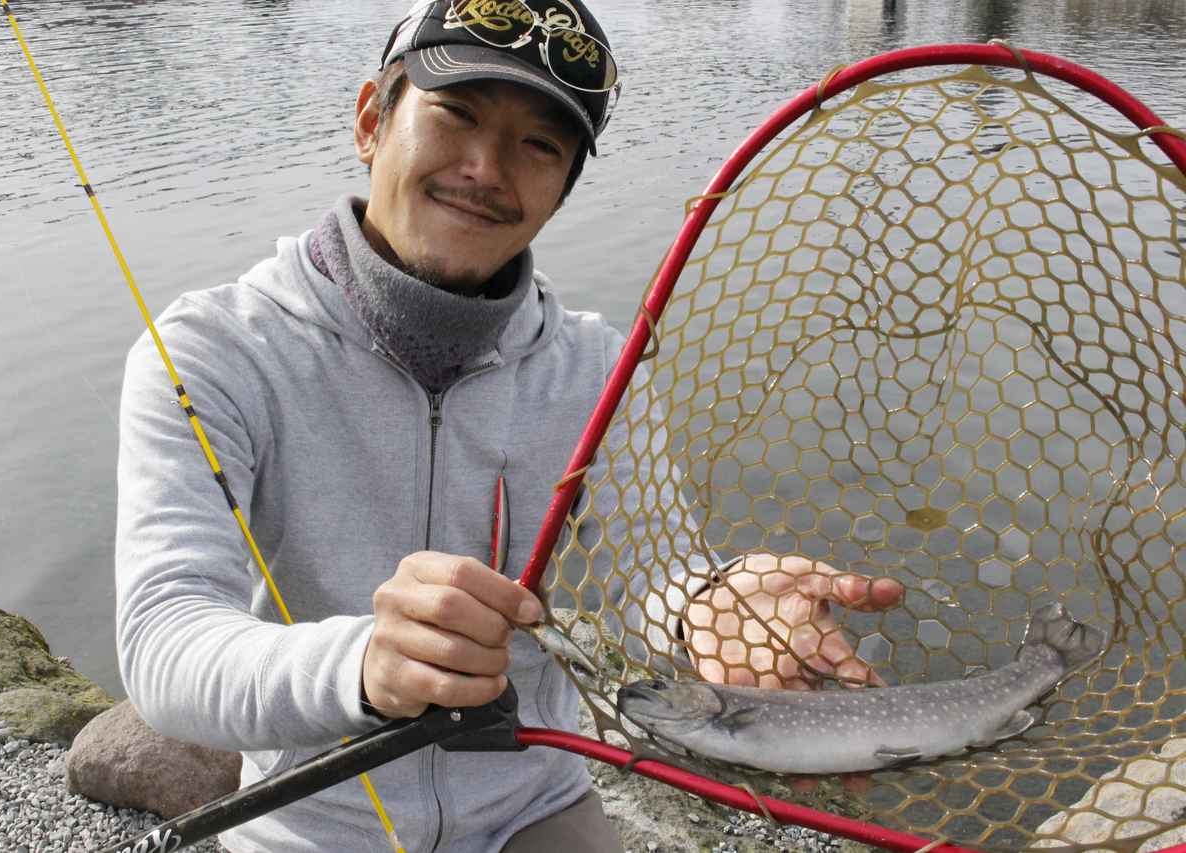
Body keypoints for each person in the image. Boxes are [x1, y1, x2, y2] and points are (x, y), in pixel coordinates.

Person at [114, 1, 904, 851]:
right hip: (310, 826)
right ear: (371, 120)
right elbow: (165, 640)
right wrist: (362, 664)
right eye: (456, 114)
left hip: (531, 806)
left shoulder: (599, 369)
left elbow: (650, 577)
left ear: (562, 188)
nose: (487, 168)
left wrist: (702, 608)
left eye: (539, 145)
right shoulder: (213, 351)